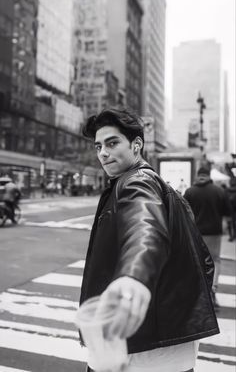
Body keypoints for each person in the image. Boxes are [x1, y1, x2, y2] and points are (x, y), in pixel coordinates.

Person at [80, 108, 219, 372]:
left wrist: (133, 277)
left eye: (112, 143)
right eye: (98, 146)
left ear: (136, 144)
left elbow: (145, 229)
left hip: (140, 344)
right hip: (165, 339)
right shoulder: (161, 187)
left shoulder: (136, 183)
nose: (103, 153)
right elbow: (203, 259)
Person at [184, 167, 231, 309]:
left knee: (197, 262)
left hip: (196, 232)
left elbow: (184, 213)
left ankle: (199, 293)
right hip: (214, 233)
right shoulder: (219, 191)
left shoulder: (190, 191)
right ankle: (212, 291)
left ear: (198, 176)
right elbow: (228, 214)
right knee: (215, 260)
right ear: (209, 176)